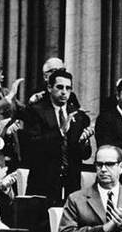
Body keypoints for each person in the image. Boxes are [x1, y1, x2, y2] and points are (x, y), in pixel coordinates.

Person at [25, 70, 93, 206]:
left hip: (71, 181)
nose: (64, 92)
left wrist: (84, 142)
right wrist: (60, 132)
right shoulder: (35, 111)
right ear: (49, 88)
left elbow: (85, 155)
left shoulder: (78, 116)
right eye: (60, 87)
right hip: (44, 179)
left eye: (68, 88)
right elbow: (32, 146)